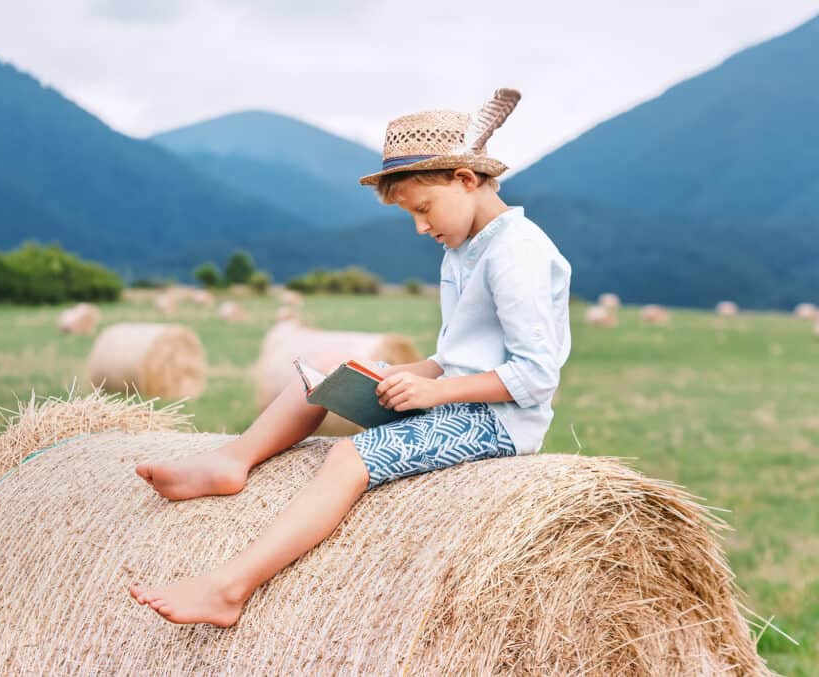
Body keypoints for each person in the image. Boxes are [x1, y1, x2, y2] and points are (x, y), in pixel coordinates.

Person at [129, 88, 571, 627]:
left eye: (423, 209)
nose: (421, 227)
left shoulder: (516, 253)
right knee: (322, 381)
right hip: (455, 400)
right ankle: (232, 462)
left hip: (498, 423)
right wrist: (409, 374)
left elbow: (536, 375)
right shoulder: (465, 249)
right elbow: (459, 356)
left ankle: (229, 587)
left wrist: (434, 391)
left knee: (349, 458)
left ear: (465, 179)